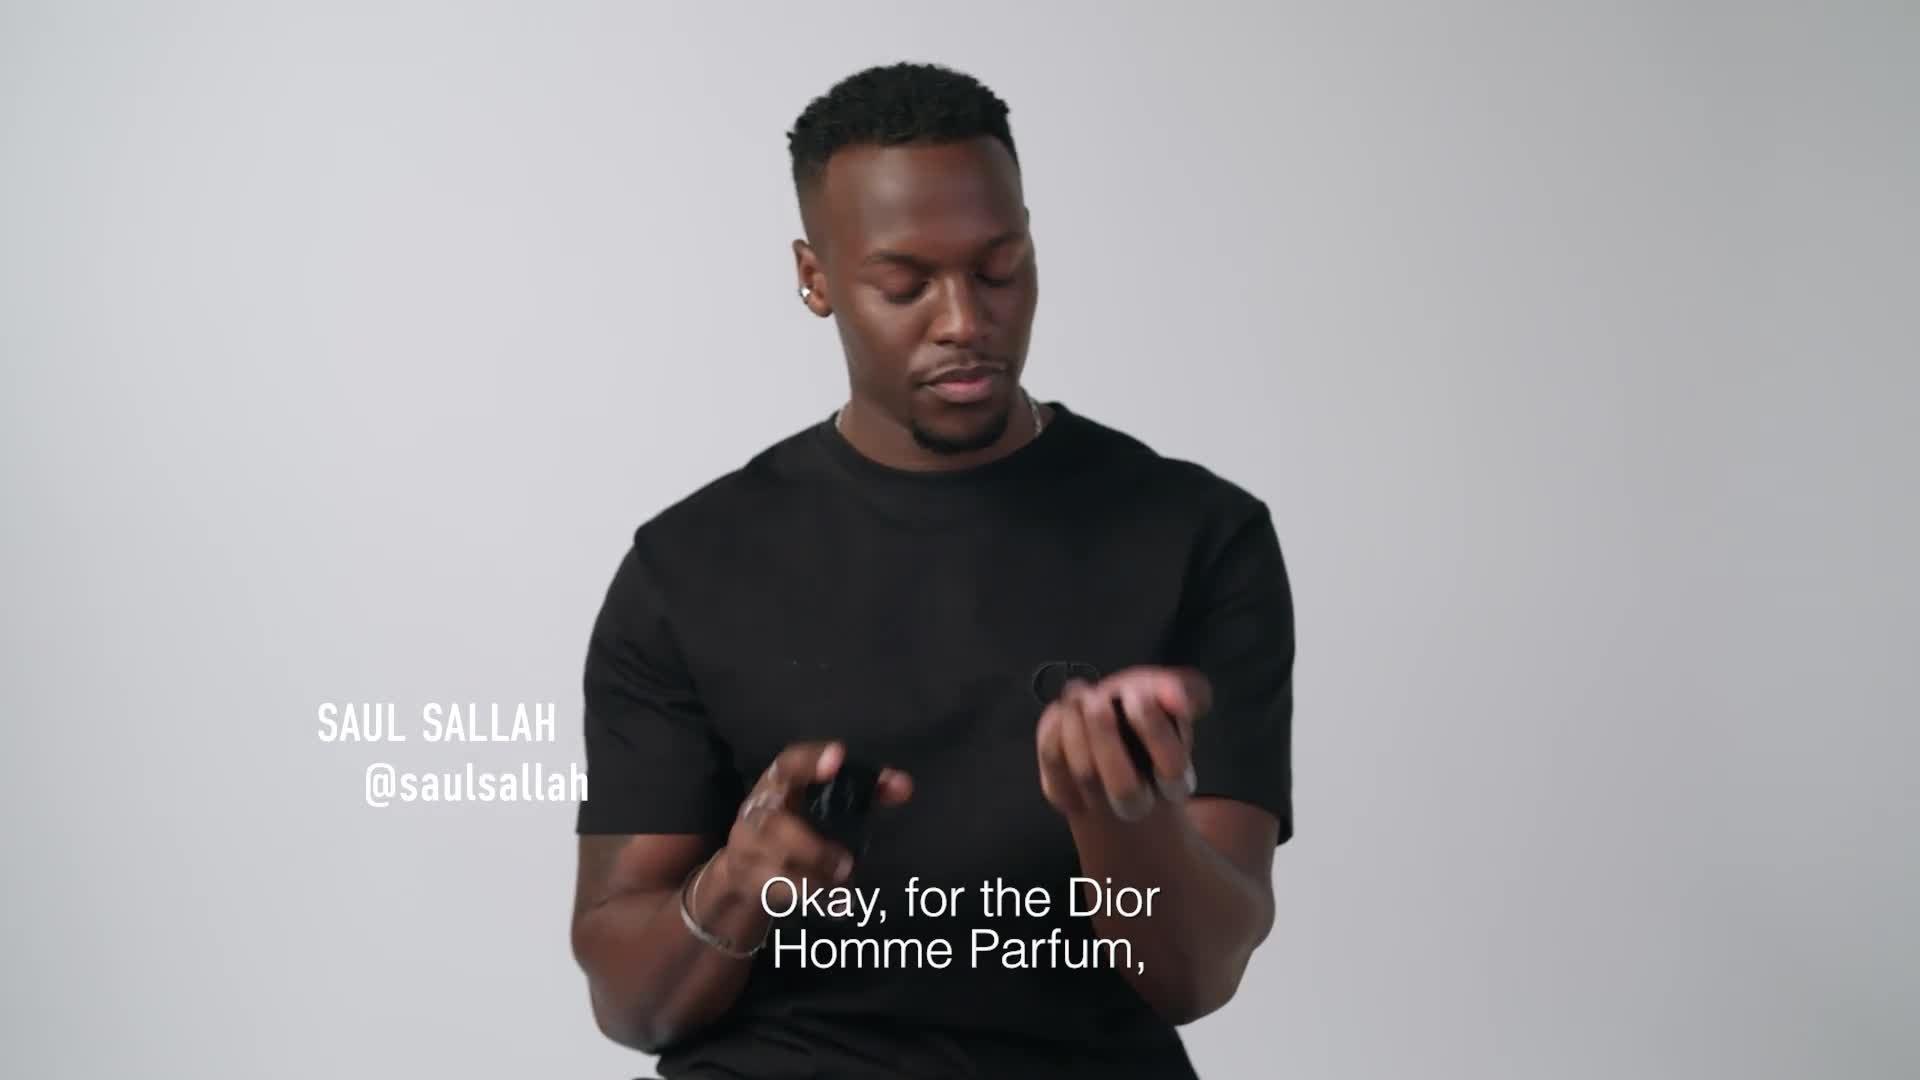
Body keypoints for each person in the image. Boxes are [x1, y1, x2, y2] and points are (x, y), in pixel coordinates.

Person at [570, 61, 1296, 1079]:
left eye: (999, 269)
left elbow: (1198, 978)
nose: (963, 320)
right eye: (905, 284)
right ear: (816, 278)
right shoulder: (686, 568)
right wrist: (737, 884)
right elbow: (629, 1002)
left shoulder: (1198, 537)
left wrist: (1121, 817)